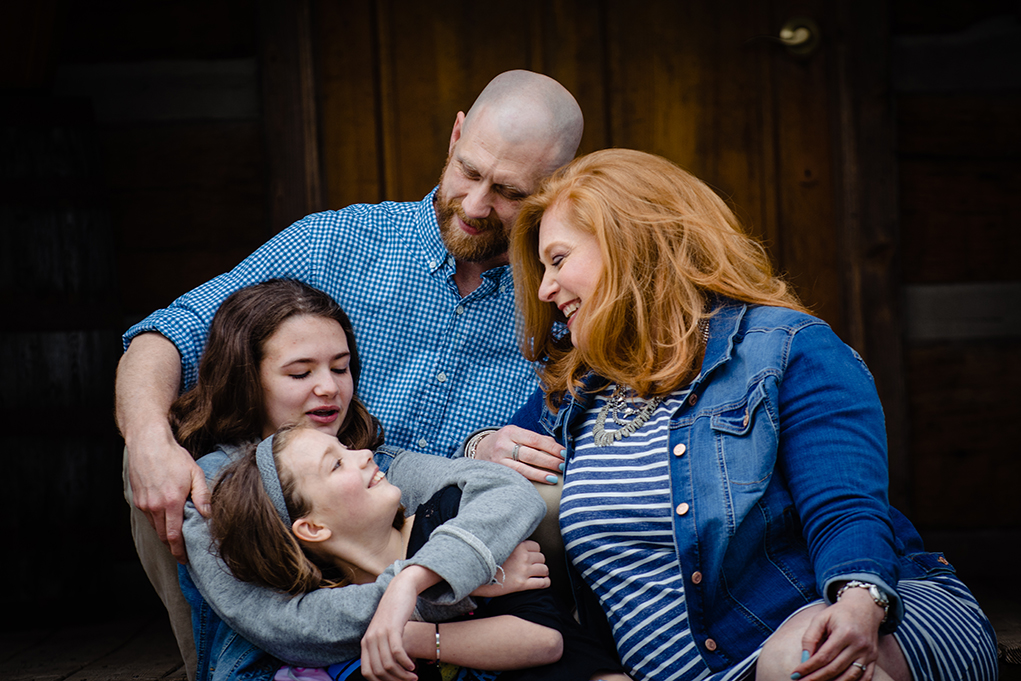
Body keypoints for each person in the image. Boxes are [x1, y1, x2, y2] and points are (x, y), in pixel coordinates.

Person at [116, 70, 582, 678]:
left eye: (508, 192)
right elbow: (169, 332)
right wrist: (149, 440)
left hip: (439, 526)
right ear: (455, 134)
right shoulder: (333, 244)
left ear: (554, 188)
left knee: (548, 502)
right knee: (157, 470)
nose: (474, 205)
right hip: (295, 523)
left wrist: (481, 450)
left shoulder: (559, 291)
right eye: (469, 171)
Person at [501, 148, 999, 681]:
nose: (545, 288)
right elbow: (476, 501)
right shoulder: (573, 396)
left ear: (629, 243)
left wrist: (858, 601)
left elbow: (846, 507)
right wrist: (479, 448)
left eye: (557, 260)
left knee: (803, 660)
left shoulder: (784, 348)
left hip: (858, 615)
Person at [173, 279, 625, 681]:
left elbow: (504, 489)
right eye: (300, 372)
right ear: (248, 380)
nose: (329, 387)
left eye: (341, 366)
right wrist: (456, 586)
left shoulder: (372, 461)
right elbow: (292, 628)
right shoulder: (212, 487)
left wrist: (427, 577)